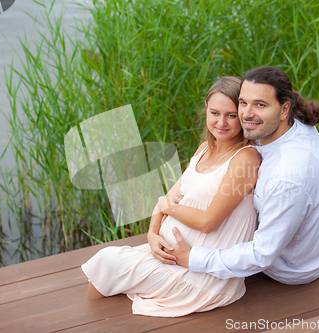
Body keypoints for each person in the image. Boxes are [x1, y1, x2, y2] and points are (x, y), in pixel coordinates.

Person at [81, 76, 261, 317]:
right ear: (206, 110)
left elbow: (208, 222)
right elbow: (165, 198)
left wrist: (168, 208)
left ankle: (88, 321)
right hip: (172, 256)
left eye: (231, 115)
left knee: (108, 262)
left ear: (242, 115)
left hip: (204, 275)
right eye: (215, 113)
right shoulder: (206, 149)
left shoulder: (245, 159)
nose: (221, 122)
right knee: (108, 265)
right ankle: (93, 320)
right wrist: (152, 234)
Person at [161, 66, 319, 285]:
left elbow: (262, 256)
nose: (246, 114)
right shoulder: (290, 123)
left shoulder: (287, 176)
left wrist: (194, 258)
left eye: (260, 105)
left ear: (284, 109)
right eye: (243, 103)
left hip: (292, 267)